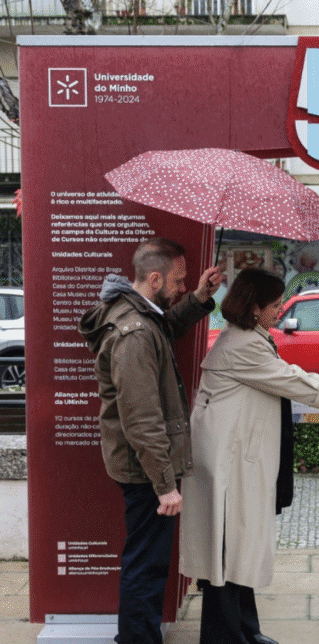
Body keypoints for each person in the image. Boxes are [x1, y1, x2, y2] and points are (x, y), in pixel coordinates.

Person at [180, 267, 319, 644]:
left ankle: (245, 630)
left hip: (236, 460)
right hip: (229, 465)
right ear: (254, 307)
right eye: (276, 304)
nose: (281, 310)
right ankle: (225, 636)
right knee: (228, 554)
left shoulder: (248, 337)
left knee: (239, 549)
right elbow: (290, 381)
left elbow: (286, 371)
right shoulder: (243, 343)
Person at [78, 238, 223, 644]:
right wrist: (165, 485)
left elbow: (167, 327)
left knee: (147, 562)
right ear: (154, 278)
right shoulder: (135, 332)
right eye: (177, 281)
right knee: (146, 566)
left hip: (141, 465)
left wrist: (197, 297)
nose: (180, 287)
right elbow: (140, 418)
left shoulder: (140, 315)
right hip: (145, 471)